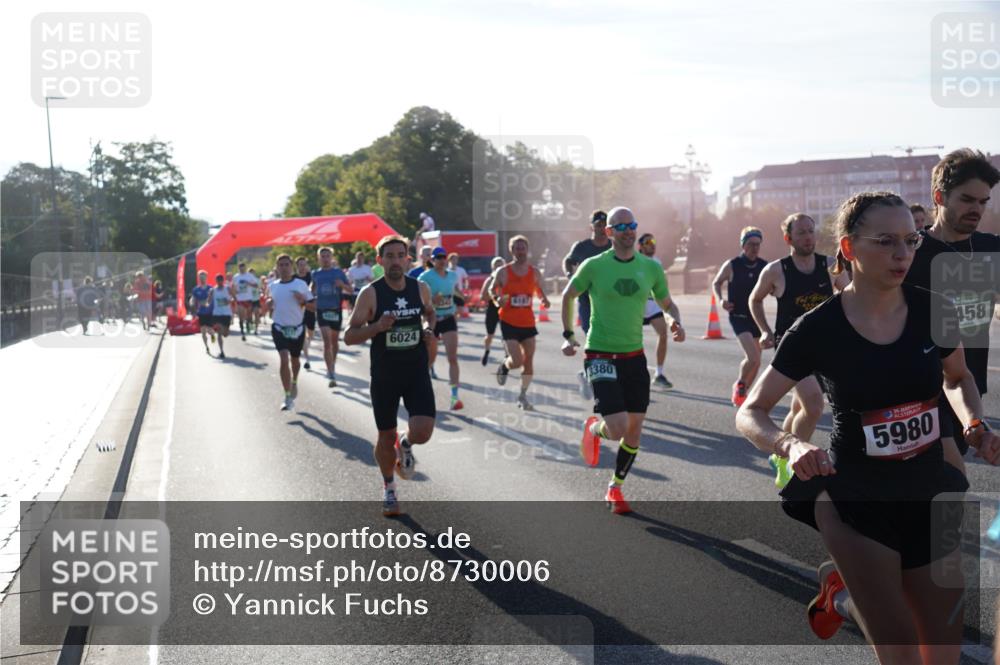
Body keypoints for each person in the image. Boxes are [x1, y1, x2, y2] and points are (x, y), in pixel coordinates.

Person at [736, 191, 1000, 663]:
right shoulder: (818, 329)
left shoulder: (934, 308)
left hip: (930, 492)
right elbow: (751, 412)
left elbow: (957, 378)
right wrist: (790, 444)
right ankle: (851, 591)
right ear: (850, 247)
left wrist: (974, 424)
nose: (903, 254)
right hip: (857, 501)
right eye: (886, 241)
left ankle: (842, 595)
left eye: (911, 240)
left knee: (941, 655)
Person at [560, 207, 685, 514]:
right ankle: (594, 430)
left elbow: (668, 302)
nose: (629, 230)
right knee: (616, 428)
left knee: (634, 428)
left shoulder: (650, 268)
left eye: (633, 225)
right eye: (622, 226)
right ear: (609, 232)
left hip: (634, 357)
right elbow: (568, 295)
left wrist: (674, 321)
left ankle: (615, 487)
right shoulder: (593, 266)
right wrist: (567, 334)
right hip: (600, 353)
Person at [904, 149, 1000, 473]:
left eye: (983, 202)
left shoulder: (991, 249)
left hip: (966, 387)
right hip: (912, 391)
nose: (976, 209)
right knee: (945, 481)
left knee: (947, 487)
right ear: (939, 196)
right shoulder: (908, 252)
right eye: (967, 199)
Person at [344, 235, 437, 517]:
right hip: (385, 374)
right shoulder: (370, 294)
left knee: (423, 431)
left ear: (408, 259)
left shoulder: (420, 288)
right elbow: (349, 336)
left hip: (416, 370)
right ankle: (389, 488)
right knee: (385, 436)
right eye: (390, 256)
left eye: (401, 255)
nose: (396, 261)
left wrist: (428, 329)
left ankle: (406, 443)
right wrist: (377, 328)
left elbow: (430, 314)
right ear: (380, 261)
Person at [749, 213, 849, 469]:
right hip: (793, 347)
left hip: (825, 348)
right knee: (814, 406)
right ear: (788, 238)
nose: (808, 237)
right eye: (802, 232)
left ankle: (778, 455)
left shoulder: (829, 265)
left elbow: (851, 295)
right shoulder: (776, 270)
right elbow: (755, 299)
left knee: (799, 409)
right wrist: (764, 330)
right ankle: (793, 462)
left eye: (811, 231)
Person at [491, 235, 550, 410]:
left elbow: (540, 289)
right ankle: (505, 365)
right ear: (512, 251)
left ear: (527, 250)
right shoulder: (503, 271)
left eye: (523, 248)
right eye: (517, 248)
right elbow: (492, 289)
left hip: (528, 322)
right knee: (517, 361)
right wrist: (497, 299)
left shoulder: (534, 272)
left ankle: (523, 396)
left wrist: (544, 299)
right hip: (508, 320)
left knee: (529, 361)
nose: (520, 251)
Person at [713, 226, 768, 406]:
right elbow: (716, 282)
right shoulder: (732, 264)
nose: (755, 248)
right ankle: (740, 384)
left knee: (757, 362)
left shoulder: (764, 266)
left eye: (758, 244)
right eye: (751, 244)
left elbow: (776, 284)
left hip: (755, 317)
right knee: (752, 357)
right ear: (743, 245)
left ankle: (743, 394)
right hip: (738, 316)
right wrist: (721, 300)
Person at [563, 210, 612, 398]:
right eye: (598, 224)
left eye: (604, 224)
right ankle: (596, 380)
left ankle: (587, 375)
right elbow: (568, 262)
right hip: (587, 303)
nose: (601, 228)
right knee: (595, 342)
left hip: (610, 304)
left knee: (610, 345)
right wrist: (570, 276)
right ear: (591, 226)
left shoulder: (613, 246)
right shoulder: (582, 247)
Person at [419, 247, 465, 409]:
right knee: (430, 360)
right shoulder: (425, 277)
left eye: (443, 257)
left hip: (448, 318)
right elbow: (418, 298)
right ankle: (421, 392)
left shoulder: (452, 276)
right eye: (437, 257)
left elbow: (454, 290)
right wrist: (432, 299)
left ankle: (454, 397)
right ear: (432, 260)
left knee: (452, 358)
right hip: (432, 320)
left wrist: (462, 296)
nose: (441, 260)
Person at [269, 254, 316, 411]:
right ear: (277, 267)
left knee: (295, 362)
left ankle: (294, 380)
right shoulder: (272, 286)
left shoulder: (301, 284)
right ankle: (287, 395)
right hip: (279, 328)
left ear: (291, 267)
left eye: (286, 265)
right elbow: (271, 304)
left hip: (297, 328)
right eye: (280, 265)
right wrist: (268, 303)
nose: (283, 267)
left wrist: (302, 300)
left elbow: (313, 307)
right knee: (283, 358)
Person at [312, 247, 352, 387]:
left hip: (336, 310)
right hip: (322, 310)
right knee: (327, 341)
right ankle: (331, 371)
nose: (325, 258)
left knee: (334, 342)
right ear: (319, 258)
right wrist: (312, 295)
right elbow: (312, 290)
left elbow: (350, 290)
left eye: (327, 255)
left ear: (331, 257)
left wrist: (341, 284)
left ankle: (332, 363)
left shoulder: (338, 272)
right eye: (322, 256)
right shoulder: (315, 274)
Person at [637, 233, 673, 388]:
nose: (652, 244)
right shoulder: (634, 261)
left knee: (663, 334)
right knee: (634, 341)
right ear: (641, 246)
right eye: (648, 242)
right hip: (636, 306)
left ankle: (659, 373)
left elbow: (663, 285)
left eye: (653, 241)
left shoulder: (657, 262)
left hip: (653, 305)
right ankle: (635, 372)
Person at [479, 256, 506, 365]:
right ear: (493, 268)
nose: (499, 267)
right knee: (490, 335)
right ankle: (487, 350)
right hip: (492, 309)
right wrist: (494, 296)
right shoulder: (489, 280)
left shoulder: (508, 279)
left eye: (501, 265)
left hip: (505, 309)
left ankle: (507, 355)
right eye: (496, 266)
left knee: (506, 334)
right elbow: (483, 297)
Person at [294, 257, 316, 370]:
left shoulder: (311, 277)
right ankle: (307, 359)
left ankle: (307, 346)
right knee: (302, 335)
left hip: (310, 308)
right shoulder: (293, 278)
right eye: (300, 265)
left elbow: (315, 290)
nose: (302, 267)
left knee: (311, 334)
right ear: (297, 266)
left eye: (304, 264)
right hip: (298, 310)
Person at [189, 270, 215, 353]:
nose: (202, 279)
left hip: (209, 312)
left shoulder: (210, 289)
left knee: (209, 330)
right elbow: (193, 299)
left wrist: (207, 302)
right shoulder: (196, 289)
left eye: (203, 277)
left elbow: (213, 299)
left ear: (206, 277)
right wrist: (192, 303)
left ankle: (213, 335)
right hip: (200, 312)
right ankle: (207, 347)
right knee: (203, 331)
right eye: (200, 277)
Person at [232, 262, 259, 341]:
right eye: (240, 268)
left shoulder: (249, 276)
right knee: (241, 316)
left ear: (245, 268)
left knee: (248, 316)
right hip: (240, 299)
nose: (242, 269)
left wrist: (248, 283)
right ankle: (242, 332)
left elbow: (256, 285)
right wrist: (234, 293)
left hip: (249, 298)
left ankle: (248, 323)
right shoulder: (236, 277)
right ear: (238, 268)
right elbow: (233, 287)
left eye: (243, 268)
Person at [209, 273, 233, 358]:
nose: (219, 282)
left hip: (226, 313)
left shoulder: (227, 288)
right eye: (217, 280)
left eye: (221, 280)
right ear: (216, 281)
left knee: (225, 334)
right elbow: (209, 301)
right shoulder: (213, 290)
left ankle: (223, 330)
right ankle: (222, 351)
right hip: (217, 313)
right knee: (219, 332)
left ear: (223, 280)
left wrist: (229, 301)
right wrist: (209, 297)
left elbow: (233, 297)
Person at [248, 268, 263, 334]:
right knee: (249, 315)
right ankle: (250, 325)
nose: (251, 275)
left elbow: (258, 287)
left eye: (252, 273)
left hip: (256, 299)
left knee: (256, 314)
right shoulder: (246, 280)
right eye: (250, 273)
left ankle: (256, 329)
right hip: (248, 300)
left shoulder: (258, 280)